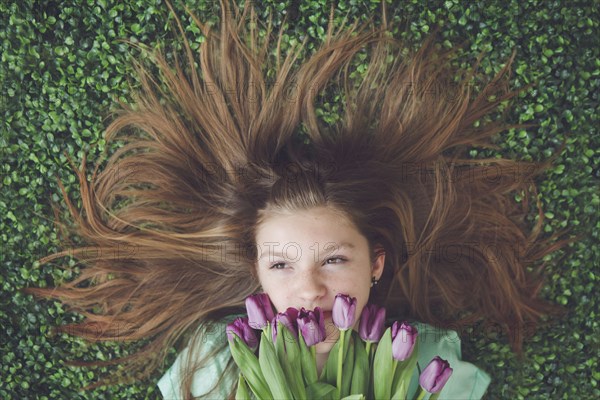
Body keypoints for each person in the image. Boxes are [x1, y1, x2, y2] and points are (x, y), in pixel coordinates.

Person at [29, 1, 567, 399]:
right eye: (281, 264)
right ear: (257, 273)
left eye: (334, 259)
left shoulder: (430, 362)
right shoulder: (211, 368)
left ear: (375, 263)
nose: (308, 289)